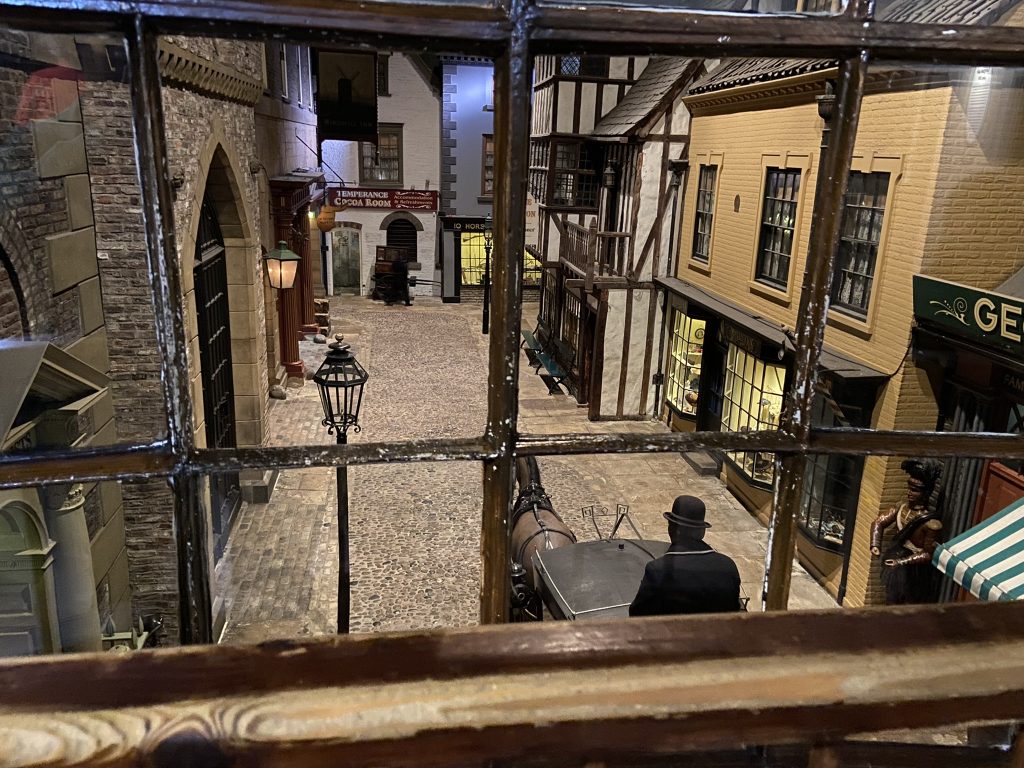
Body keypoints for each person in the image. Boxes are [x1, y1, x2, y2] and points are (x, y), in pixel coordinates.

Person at [628, 495, 742, 617]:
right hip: (718, 634)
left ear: (672, 529)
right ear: (702, 532)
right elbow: (734, 610)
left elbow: (637, 613)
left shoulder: (659, 570)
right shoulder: (728, 566)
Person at [870, 458, 943, 605]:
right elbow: (879, 522)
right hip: (895, 563)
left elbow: (928, 554)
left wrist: (902, 562)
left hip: (914, 572)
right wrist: (875, 544)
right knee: (891, 598)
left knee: (908, 603)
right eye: (909, 488)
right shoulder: (900, 508)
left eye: (915, 490)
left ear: (926, 492)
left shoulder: (931, 524)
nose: (910, 493)